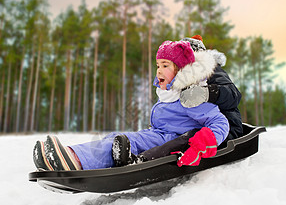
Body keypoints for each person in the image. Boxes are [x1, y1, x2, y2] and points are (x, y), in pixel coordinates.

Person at [33, 40, 229, 171]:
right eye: (158, 65)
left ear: (180, 70)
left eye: (165, 65)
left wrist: (204, 141)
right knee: (116, 138)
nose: (159, 70)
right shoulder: (168, 93)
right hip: (158, 135)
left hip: (172, 141)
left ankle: (74, 161)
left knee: (123, 143)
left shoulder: (189, 96)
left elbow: (219, 122)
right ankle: (70, 154)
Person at [134, 35, 243, 162]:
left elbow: (233, 95)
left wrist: (208, 93)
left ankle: (147, 158)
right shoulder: (183, 76)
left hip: (224, 129)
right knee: (176, 137)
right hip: (200, 125)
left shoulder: (211, 70)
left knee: (189, 138)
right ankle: (144, 152)